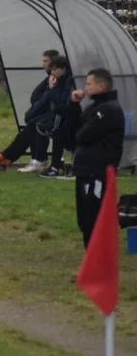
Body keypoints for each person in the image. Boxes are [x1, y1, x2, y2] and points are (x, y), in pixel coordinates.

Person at [0, 55, 73, 173]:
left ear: (64, 68)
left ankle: (35, 160)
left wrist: (50, 89)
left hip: (61, 116)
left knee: (35, 125)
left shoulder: (66, 81)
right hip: (51, 113)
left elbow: (58, 101)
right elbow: (35, 97)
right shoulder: (53, 80)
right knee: (31, 125)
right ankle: (7, 158)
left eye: (46, 61)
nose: (45, 66)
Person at [66, 68, 124, 248]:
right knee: (84, 217)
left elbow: (83, 135)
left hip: (97, 170)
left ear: (101, 86)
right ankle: (90, 254)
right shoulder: (95, 107)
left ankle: (97, 255)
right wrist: (74, 105)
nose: (86, 87)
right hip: (85, 169)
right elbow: (73, 132)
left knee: (93, 215)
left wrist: (80, 132)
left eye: (89, 84)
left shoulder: (108, 110)